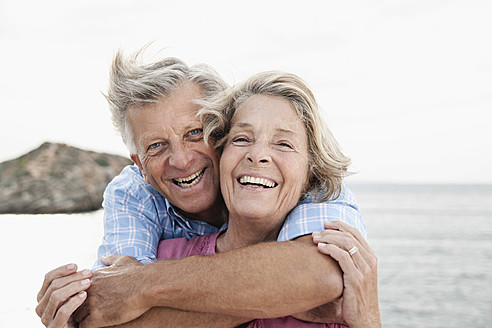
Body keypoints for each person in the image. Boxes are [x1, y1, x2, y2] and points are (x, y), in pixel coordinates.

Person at [35, 49, 368, 328]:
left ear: (221, 131)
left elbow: (317, 275)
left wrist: (144, 284)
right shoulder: (134, 193)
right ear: (139, 164)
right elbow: (115, 305)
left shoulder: (314, 184)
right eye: (156, 146)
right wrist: (277, 297)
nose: (180, 161)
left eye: (194, 134)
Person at [146, 70, 380, 327]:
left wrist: (368, 322)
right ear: (220, 156)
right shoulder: (164, 257)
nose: (257, 155)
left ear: (310, 175)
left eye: (284, 144)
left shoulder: (340, 275)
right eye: (242, 139)